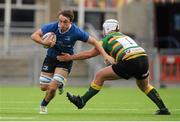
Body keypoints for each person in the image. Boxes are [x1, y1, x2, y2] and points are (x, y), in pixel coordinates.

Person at [58, 19, 171, 115]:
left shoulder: (106, 39)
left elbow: (89, 54)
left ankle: (81, 101)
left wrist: (70, 57)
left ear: (106, 29)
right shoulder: (124, 36)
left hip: (130, 60)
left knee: (100, 75)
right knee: (145, 86)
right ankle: (163, 108)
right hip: (143, 58)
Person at [31, 10, 113, 114]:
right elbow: (34, 35)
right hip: (50, 58)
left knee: (52, 88)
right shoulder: (52, 27)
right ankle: (60, 84)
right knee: (43, 87)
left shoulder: (76, 32)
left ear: (70, 22)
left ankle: (43, 105)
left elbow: (95, 42)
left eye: (65, 22)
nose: (61, 24)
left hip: (65, 61)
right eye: (60, 21)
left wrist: (105, 55)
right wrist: (43, 42)